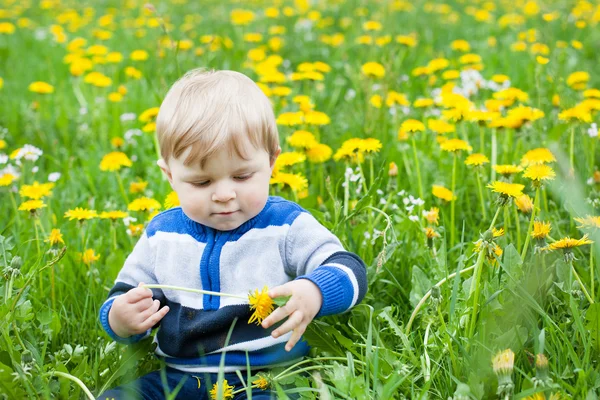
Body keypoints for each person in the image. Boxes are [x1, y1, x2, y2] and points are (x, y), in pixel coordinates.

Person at [98, 69, 367, 399]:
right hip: (179, 379)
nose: (223, 194)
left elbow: (348, 269)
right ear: (170, 176)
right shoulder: (161, 235)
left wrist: (314, 290)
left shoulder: (286, 226)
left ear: (271, 162)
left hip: (265, 379)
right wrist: (120, 319)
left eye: (242, 176)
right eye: (202, 182)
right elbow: (123, 293)